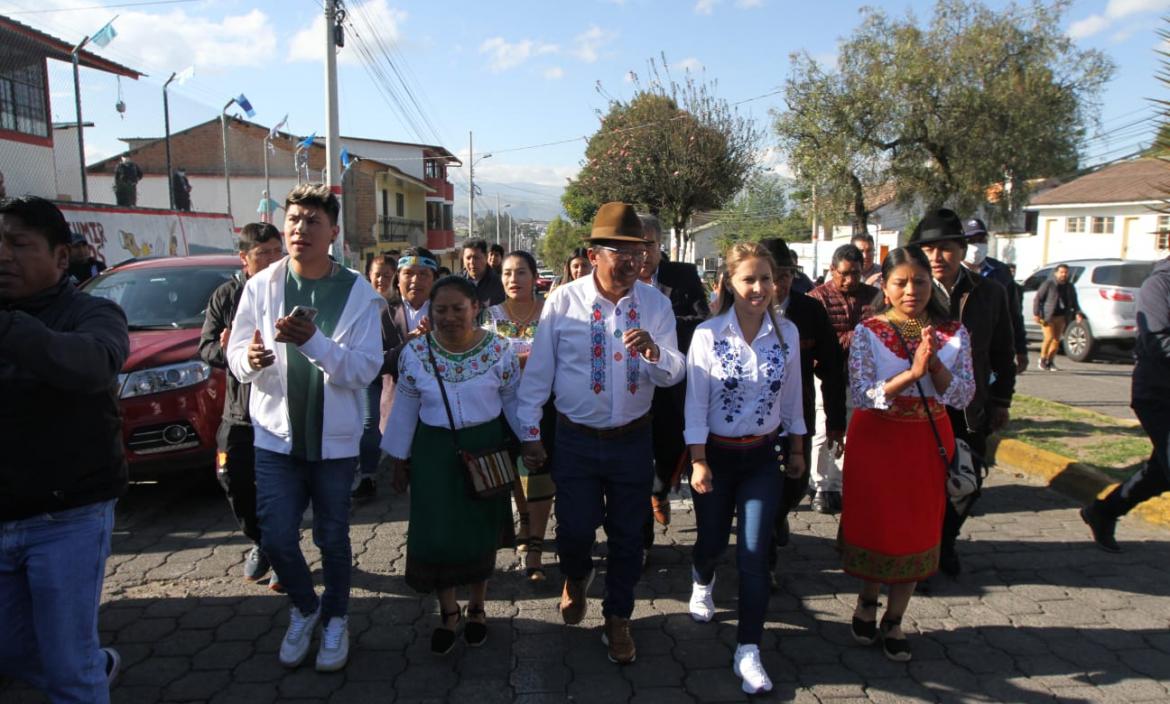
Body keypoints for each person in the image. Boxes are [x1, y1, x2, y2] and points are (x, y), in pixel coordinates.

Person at [226, 183, 385, 672]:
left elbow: (363, 370)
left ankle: (336, 617)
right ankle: (304, 606)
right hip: (275, 437)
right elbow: (234, 353)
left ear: (333, 232)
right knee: (275, 537)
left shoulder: (358, 292)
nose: (300, 229)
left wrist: (314, 341)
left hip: (334, 444)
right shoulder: (262, 286)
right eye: (293, 220)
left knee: (332, 538)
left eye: (312, 221)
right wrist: (248, 361)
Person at [517, 202, 684, 665]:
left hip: (633, 439)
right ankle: (575, 576)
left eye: (639, 250)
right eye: (620, 251)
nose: (632, 261)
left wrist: (654, 352)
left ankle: (618, 618)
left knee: (630, 537)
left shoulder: (656, 303)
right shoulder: (563, 300)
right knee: (573, 531)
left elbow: (675, 373)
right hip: (575, 440)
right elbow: (539, 376)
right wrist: (531, 433)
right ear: (594, 255)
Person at [0, 196, 130, 702]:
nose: (3, 255)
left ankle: (84, 671)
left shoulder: (93, 313)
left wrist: (11, 329)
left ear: (60, 258)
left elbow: (93, 364)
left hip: (67, 517)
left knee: (69, 672)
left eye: (18, 244)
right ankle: (93, 666)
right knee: (10, 649)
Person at [842, 245, 975, 663]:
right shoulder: (869, 330)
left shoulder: (952, 332)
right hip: (877, 441)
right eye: (900, 282)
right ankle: (867, 598)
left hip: (925, 442)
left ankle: (895, 618)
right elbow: (862, 393)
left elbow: (963, 393)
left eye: (919, 281)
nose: (911, 290)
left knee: (916, 529)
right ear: (885, 285)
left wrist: (934, 366)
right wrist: (911, 375)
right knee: (878, 525)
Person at [684, 242, 806, 694]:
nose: (759, 288)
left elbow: (793, 398)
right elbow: (695, 403)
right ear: (730, 284)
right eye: (748, 279)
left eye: (766, 279)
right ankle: (701, 577)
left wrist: (796, 450)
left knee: (754, 555)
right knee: (712, 541)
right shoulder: (708, 335)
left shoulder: (787, 333)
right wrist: (697, 461)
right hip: (715, 456)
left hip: (762, 459)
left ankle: (748, 649)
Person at [382, 276, 524, 655]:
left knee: (480, 530)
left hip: (487, 448)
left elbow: (513, 401)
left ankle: (477, 608)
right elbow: (406, 408)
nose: (448, 317)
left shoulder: (500, 350)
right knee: (438, 533)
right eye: (440, 309)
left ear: (475, 308)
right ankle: (448, 613)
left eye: (457, 309)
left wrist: (532, 441)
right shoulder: (415, 353)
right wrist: (398, 459)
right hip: (433, 453)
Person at [913, 208, 1016, 578]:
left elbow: (1004, 351)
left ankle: (945, 541)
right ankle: (922, 556)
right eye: (928, 249)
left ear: (961, 248)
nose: (937, 257)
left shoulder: (989, 292)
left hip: (969, 406)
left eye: (946, 248)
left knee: (966, 482)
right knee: (922, 485)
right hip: (920, 406)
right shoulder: (909, 290)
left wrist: (1002, 399)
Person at [199, 222, 284, 588]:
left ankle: (283, 551)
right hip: (238, 413)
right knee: (232, 479)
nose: (270, 260)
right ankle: (262, 542)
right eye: (262, 253)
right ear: (244, 258)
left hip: (280, 411)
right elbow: (207, 347)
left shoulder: (290, 290)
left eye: (275, 252)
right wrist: (232, 349)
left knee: (280, 488)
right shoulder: (226, 296)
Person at [759, 238, 845, 564]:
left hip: (798, 414)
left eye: (785, 275)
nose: (778, 284)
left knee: (796, 484)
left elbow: (832, 368)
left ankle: (780, 514)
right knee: (761, 491)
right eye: (770, 276)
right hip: (753, 420)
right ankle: (763, 563)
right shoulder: (739, 309)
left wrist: (837, 421)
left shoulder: (810, 311)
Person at [1080, 254, 1170, 552]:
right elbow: (1159, 341)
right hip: (1158, 393)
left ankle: (1104, 511)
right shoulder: (1159, 284)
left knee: (1160, 471)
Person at [638, 213, 710, 536]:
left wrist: (661, 329)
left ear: (660, 245)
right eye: (635, 245)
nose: (642, 254)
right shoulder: (619, 279)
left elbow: (700, 319)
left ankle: (660, 489)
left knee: (668, 449)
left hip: (671, 379)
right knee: (637, 457)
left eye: (648, 245)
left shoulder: (682, 276)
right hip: (632, 385)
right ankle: (641, 539)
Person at [483, 250, 552, 581]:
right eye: (508, 273)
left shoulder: (550, 315)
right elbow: (483, 361)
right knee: (514, 472)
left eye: (521, 272)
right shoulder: (490, 317)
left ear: (534, 276)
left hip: (544, 406)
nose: (514, 279)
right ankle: (523, 521)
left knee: (539, 470)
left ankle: (536, 548)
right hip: (503, 408)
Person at [806, 244, 878, 514]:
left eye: (856, 274)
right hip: (824, 373)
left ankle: (839, 484)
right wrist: (855, 336)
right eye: (844, 274)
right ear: (832, 270)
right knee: (823, 430)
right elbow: (820, 340)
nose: (850, 280)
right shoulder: (817, 298)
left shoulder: (874, 297)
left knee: (851, 429)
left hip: (862, 376)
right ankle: (820, 486)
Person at [352, 253, 399, 500]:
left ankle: (402, 468)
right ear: (369, 275)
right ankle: (368, 476)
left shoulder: (400, 306)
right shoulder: (360, 303)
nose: (381, 279)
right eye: (377, 274)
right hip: (369, 375)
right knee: (369, 424)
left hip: (396, 374)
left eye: (387, 275)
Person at [962, 218, 1028, 374]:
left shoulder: (1000, 271)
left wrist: (1021, 349)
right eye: (970, 240)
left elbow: (1014, 313)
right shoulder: (950, 271)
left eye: (981, 239)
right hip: (958, 348)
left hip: (994, 348)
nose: (976, 246)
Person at [1033, 264, 1082, 371]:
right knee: (1049, 338)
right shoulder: (1049, 284)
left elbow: (1074, 301)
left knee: (1056, 340)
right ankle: (1042, 359)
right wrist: (1036, 313)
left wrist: (1078, 312)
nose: (1064, 274)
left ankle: (1050, 361)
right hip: (1047, 316)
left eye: (1065, 272)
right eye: (1061, 272)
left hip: (1061, 316)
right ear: (1056, 273)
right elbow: (1038, 298)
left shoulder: (1069, 286)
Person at [461, 238, 505, 307]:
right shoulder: (457, 283)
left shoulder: (499, 284)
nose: (472, 262)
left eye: (476, 258)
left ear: (486, 257)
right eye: (468, 258)